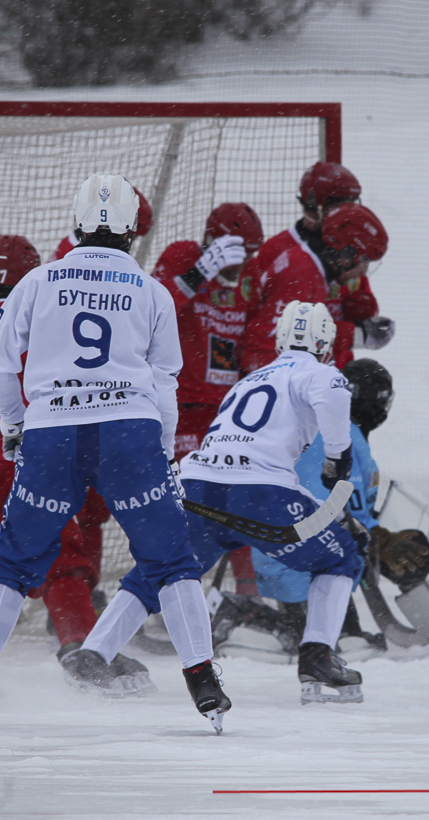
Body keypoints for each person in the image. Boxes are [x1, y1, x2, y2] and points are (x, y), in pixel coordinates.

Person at [0, 174, 230, 733]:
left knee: (12, 565)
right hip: (130, 432)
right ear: (130, 228)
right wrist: (163, 450)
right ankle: (204, 682)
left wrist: (16, 423)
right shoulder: (151, 290)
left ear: (76, 222)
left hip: (54, 435)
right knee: (172, 562)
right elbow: (166, 380)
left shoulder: (39, 281)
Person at [76, 301, 368, 703]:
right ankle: (317, 657)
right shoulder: (319, 373)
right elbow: (333, 392)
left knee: (159, 570)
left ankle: (93, 654)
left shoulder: (248, 380)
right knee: (342, 557)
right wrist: (339, 457)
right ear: (324, 344)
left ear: (280, 340)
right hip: (257, 492)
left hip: (197, 488)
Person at [0, 236, 154, 690]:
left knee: (29, 560)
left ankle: (73, 610)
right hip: (5, 457)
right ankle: (83, 650)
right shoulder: (31, 317)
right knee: (60, 550)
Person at [222, 358, 428, 653]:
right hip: (300, 562)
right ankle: (243, 613)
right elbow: (328, 510)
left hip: (291, 556)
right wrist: (375, 538)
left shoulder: (323, 429)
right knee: (325, 640)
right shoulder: (339, 438)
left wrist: (372, 536)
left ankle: (285, 623)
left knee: (341, 633)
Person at [151, 203, 265, 598]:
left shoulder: (249, 276)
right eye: (239, 252)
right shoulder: (184, 256)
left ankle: (248, 594)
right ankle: (165, 593)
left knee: (237, 498)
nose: (244, 262)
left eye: (251, 253)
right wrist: (199, 273)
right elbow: (151, 309)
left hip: (226, 412)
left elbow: (257, 331)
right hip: (180, 409)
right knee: (187, 505)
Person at [51, 188, 154, 581]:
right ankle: (70, 591)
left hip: (76, 403)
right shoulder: (82, 264)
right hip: (83, 405)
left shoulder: (71, 256)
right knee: (83, 507)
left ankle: (79, 590)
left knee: (85, 508)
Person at [240, 203, 389, 374]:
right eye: (365, 261)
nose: (363, 272)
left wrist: (358, 334)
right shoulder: (303, 276)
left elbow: (301, 337)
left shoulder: (307, 267)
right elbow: (263, 350)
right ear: (347, 253)